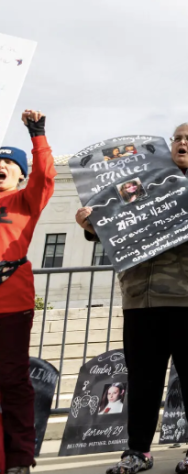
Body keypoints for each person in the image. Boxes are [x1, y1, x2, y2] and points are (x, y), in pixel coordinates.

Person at [77, 123, 188, 474]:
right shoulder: (140, 184)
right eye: (177, 138)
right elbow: (117, 224)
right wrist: (91, 226)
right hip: (141, 294)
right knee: (143, 377)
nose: (182, 142)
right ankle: (137, 452)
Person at [0, 110, 54, 474]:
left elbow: (46, 177)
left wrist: (37, 135)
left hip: (11, 303)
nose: (0, 166)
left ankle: (19, 457)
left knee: (11, 380)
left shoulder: (24, 201)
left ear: (20, 173)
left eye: (7, 163)